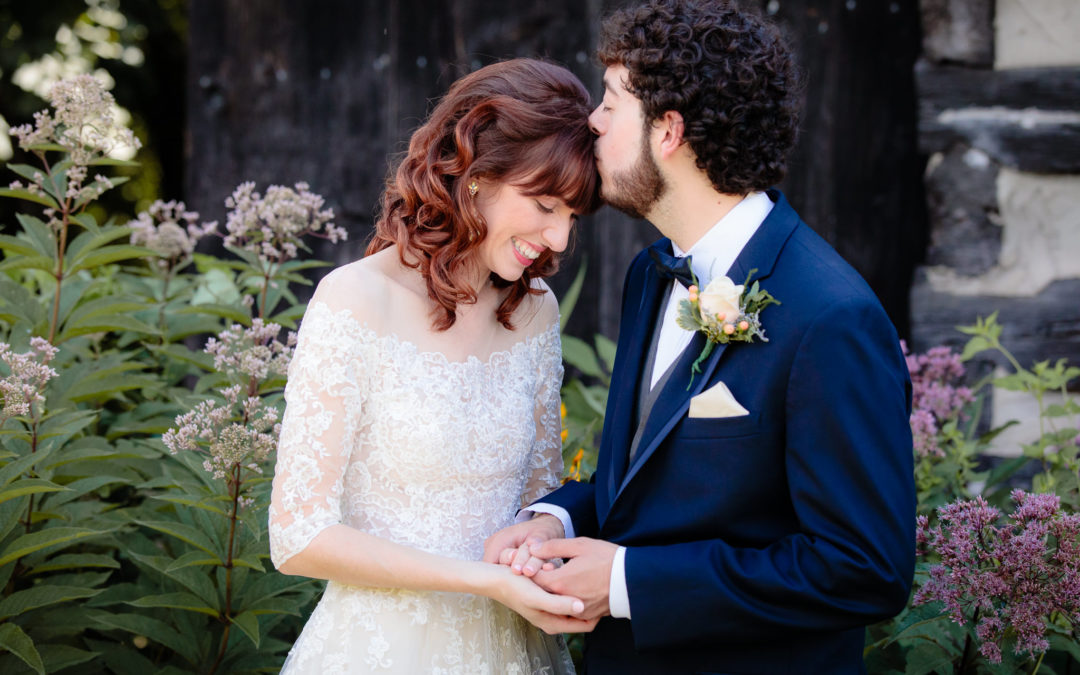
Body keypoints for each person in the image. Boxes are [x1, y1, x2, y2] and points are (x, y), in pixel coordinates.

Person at [484, 1, 916, 672]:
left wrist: (628, 584)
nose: (592, 121)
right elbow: (654, 483)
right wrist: (559, 521)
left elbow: (863, 566)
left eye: (612, 102)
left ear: (669, 132)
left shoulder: (830, 318)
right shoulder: (650, 274)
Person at [268, 58, 601, 673]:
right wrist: (483, 581)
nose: (558, 240)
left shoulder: (536, 311)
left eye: (573, 216)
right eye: (545, 204)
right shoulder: (354, 299)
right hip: (383, 649)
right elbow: (298, 538)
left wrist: (536, 549)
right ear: (476, 175)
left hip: (515, 648)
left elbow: (539, 494)